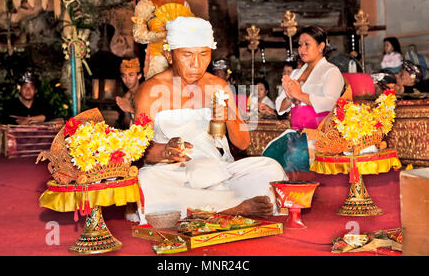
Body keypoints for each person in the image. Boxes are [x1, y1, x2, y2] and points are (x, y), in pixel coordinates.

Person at [132, 16, 287, 222]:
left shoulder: (219, 86)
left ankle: (205, 208)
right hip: (176, 173)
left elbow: (243, 143)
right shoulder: (150, 91)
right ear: (169, 55)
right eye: (187, 55)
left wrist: (230, 117)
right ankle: (230, 208)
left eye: (204, 54)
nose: (196, 64)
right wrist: (165, 151)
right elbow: (138, 150)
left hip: (220, 170)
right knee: (146, 180)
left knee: (270, 168)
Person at [262, 26, 345, 173]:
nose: (302, 49)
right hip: (295, 133)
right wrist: (289, 96)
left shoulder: (331, 71)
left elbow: (331, 103)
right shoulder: (295, 73)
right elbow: (280, 107)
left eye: (307, 44)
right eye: (300, 45)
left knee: (294, 157)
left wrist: (299, 95)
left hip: (320, 134)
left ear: (321, 46)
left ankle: (299, 193)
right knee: (268, 157)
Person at [132, 0, 193, 80]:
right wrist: (162, 34)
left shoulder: (183, 3)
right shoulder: (145, 4)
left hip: (180, 59)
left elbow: (191, 31)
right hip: (157, 60)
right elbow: (138, 35)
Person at [115, 57, 142, 129]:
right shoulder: (126, 97)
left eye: (131, 75)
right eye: (124, 76)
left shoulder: (144, 94)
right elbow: (126, 125)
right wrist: (126, 112)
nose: (127, 80)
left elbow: (149, 121)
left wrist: (131, 110)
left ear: (139, 76)